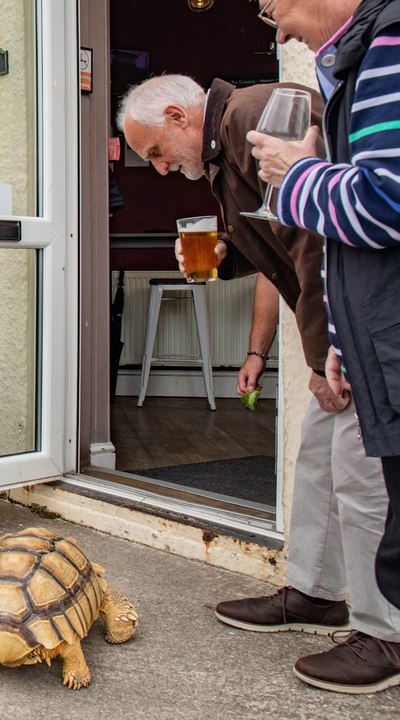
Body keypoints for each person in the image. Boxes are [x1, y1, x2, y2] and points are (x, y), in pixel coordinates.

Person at [120, 71, 400, 694]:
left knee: (361, 477)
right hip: (337, 320)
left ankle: (386, 632)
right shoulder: (225, 143)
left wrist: (327, 347)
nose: (161, 170)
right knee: (322, 465)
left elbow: (314, 238)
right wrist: (228, 252)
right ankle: (314, 595)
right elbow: (273, 230)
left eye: (156, 154)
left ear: (175, 116)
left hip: (354, 317)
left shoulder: (250, 119)